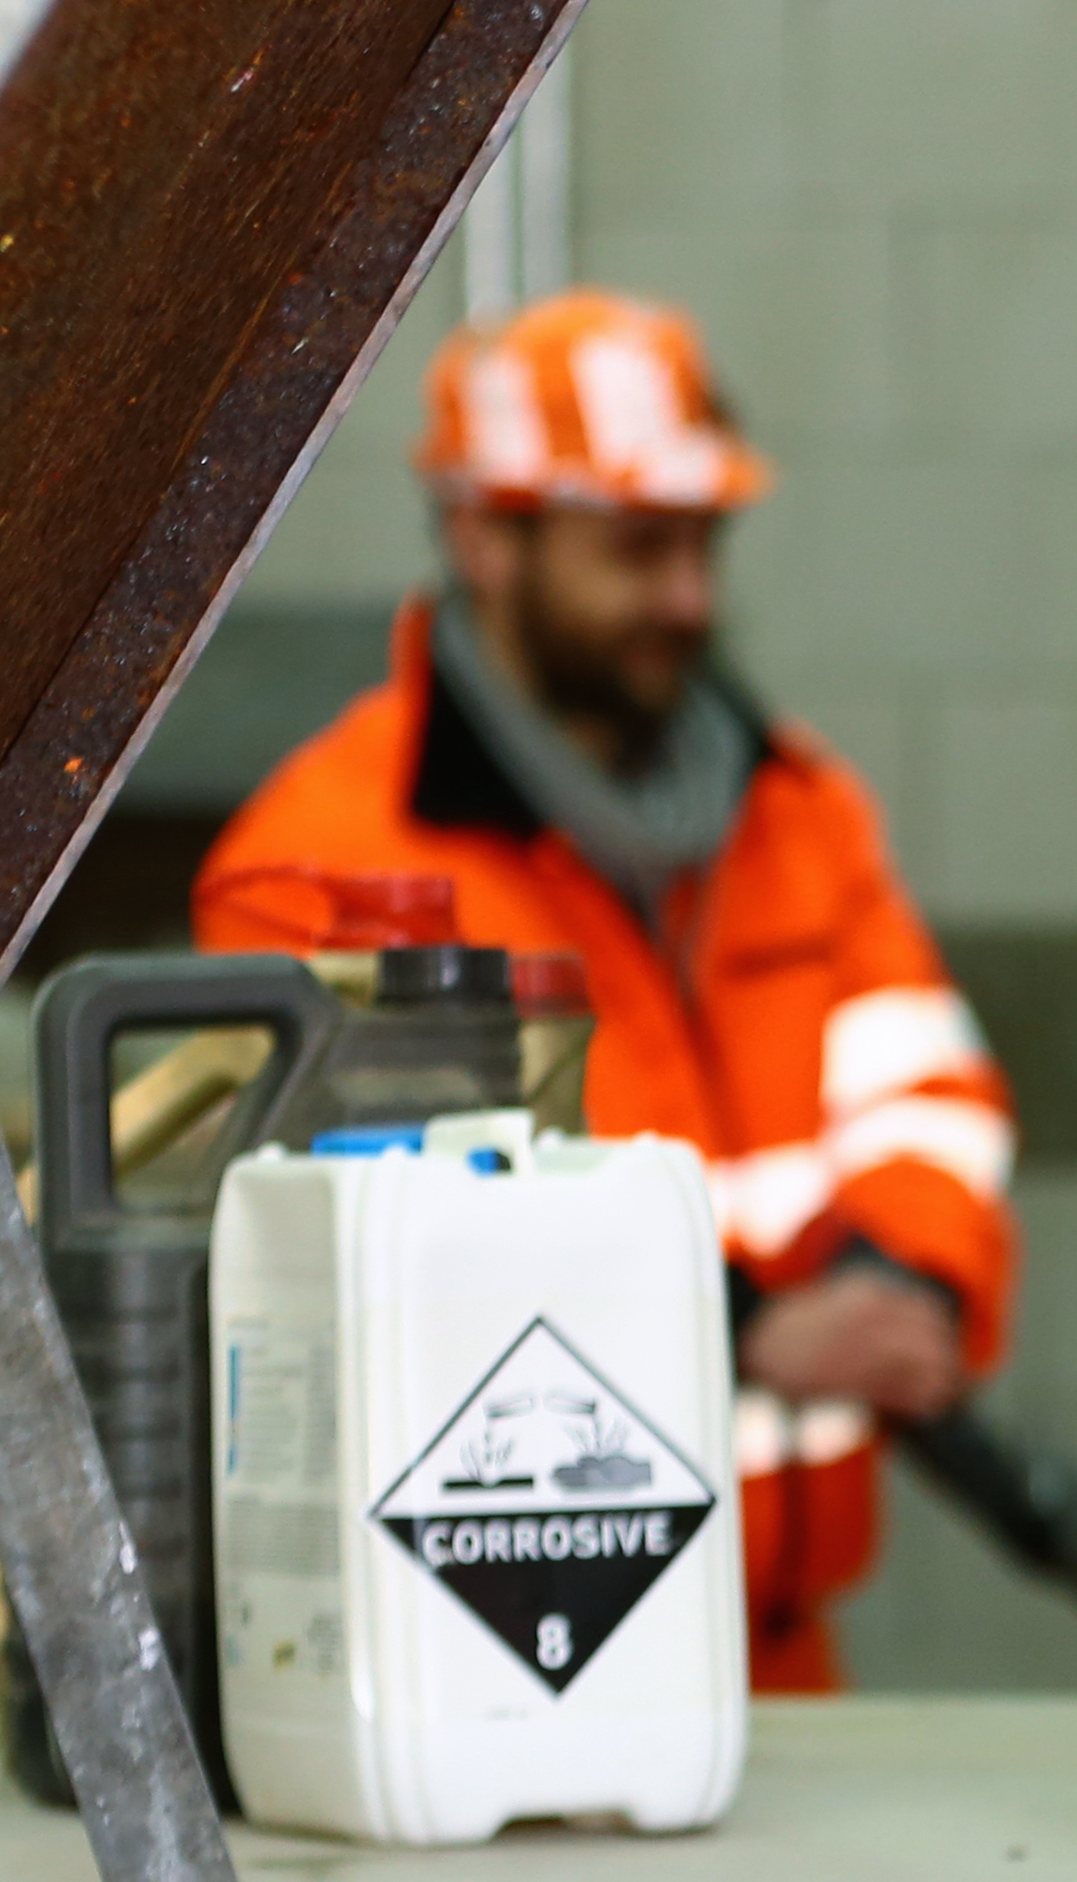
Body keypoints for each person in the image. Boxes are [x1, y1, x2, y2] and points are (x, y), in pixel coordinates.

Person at [199, 289, 1019, 1694]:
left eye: (703, 547)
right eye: (637, 552)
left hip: (784, 1673)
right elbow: (366, 1264)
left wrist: (903, 1285)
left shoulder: (795, 814)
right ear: (486, 539)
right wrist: (747, 1327)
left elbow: (932, 1100)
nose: (687, 601)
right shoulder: (318, 868)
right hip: (478, 1667)